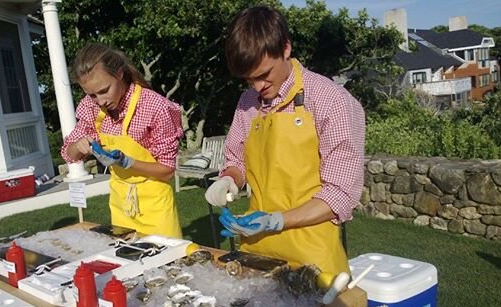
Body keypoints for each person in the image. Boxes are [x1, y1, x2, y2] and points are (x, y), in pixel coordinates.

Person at [205, 6, 365, 275]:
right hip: (255, 250)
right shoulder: (247, 102)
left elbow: (339, 194)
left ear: (286, 48)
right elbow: (236, 160)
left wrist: (277, 221)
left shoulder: (330, 100)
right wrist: (229, 179)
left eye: (264, 74)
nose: (257, 87)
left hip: (312, 257)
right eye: (248, 79)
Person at [61, 43, 183, 238]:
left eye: (104, 90)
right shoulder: (90, 108)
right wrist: (79, 145)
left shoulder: (154, 107)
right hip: (121, 204)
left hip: (155, 205)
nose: (100, 101)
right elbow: (68, 153)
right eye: (92, 95)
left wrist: (128, 162)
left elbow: (167, 170)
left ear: (119, 74)